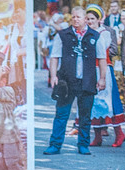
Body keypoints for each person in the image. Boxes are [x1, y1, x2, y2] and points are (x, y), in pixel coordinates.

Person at [45, 4, 106, 155]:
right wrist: (53, 76)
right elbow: (54, 57)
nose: (75, 19)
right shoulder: (63, 35)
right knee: (61, 114)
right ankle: (55, 145)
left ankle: (83, 145)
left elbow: (102, 58)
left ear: (85, 19)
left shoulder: (95, 36)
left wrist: (102, 78)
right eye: (73, 17)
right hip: (66, 81)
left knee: (85, 116)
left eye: (78, 17)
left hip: (87, 81)